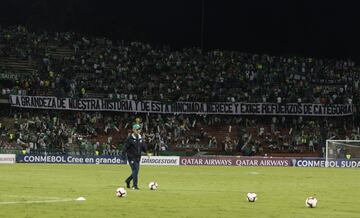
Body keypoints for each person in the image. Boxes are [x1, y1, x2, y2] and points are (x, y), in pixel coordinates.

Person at [122, 123, 148, 190]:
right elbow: (125, 147)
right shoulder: (129, 138)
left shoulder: (140, 138)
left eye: (139, 129)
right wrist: (123, 156)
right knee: (135, 170)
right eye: (137, 129)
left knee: (135, 171)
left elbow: (143, 146)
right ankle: (135, 185)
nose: (138, 130)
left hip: (138, 157)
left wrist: (146, 152)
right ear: (133, 130)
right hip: (131, 157)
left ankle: (128, 180)